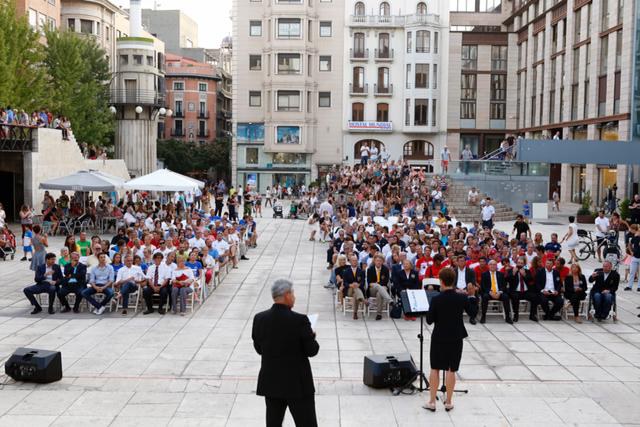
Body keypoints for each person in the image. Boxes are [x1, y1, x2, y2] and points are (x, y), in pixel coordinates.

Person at [252, 279, 319, 427]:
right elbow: (312, 350)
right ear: (287, 295)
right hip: (298, 385)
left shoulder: (259, 318)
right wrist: (311, 336)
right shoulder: (300, 320)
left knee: (273, 423)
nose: (294, 297)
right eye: (293, 294)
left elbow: (259, 349)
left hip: (272, 383)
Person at [423, 268, 468, 412]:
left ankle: (432, 402)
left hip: (439, 336)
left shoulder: (436, 299)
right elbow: (472, 312)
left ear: (441, 281)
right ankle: (448, 402)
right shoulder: (461, 298)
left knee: (435, 367)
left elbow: (429, 320)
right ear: (453, 281)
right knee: (451, 369)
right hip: (456, 336)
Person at [479, 260, 513, 324]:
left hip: (499, 292)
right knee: (484, 297)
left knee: (506, 297)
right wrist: (490, 292)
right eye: (491, 264)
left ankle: (507, 317)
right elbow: (483, 286)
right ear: (488, 266)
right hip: (489, 293)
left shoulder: (501, 274)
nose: (492, 266)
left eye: (494, 264)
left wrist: (499, 292)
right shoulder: (484, 274)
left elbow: (504, 285)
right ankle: (483, 316)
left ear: (496, 266)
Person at [366, 253, 393, 320]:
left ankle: (379, 314)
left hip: (383, 288)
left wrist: (377, 284)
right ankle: (389, 300)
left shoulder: (385, 269)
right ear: (374, 261)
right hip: (372, 289)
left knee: (379, 294)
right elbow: (369, 282)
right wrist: (377, 284)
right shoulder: (370, 269)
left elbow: (386, 281)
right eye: (377, 260)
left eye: (380, 261)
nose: (378, 262)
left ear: (382, 262)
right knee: (378, 286)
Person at [625, 225, 640, 291]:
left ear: (634, 229)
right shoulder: (634, 237)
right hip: (634, 256)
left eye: (631, 229)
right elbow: (629, 244)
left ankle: (639, 287)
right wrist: (631, 251)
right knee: (632, 272)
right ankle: (629, 286)